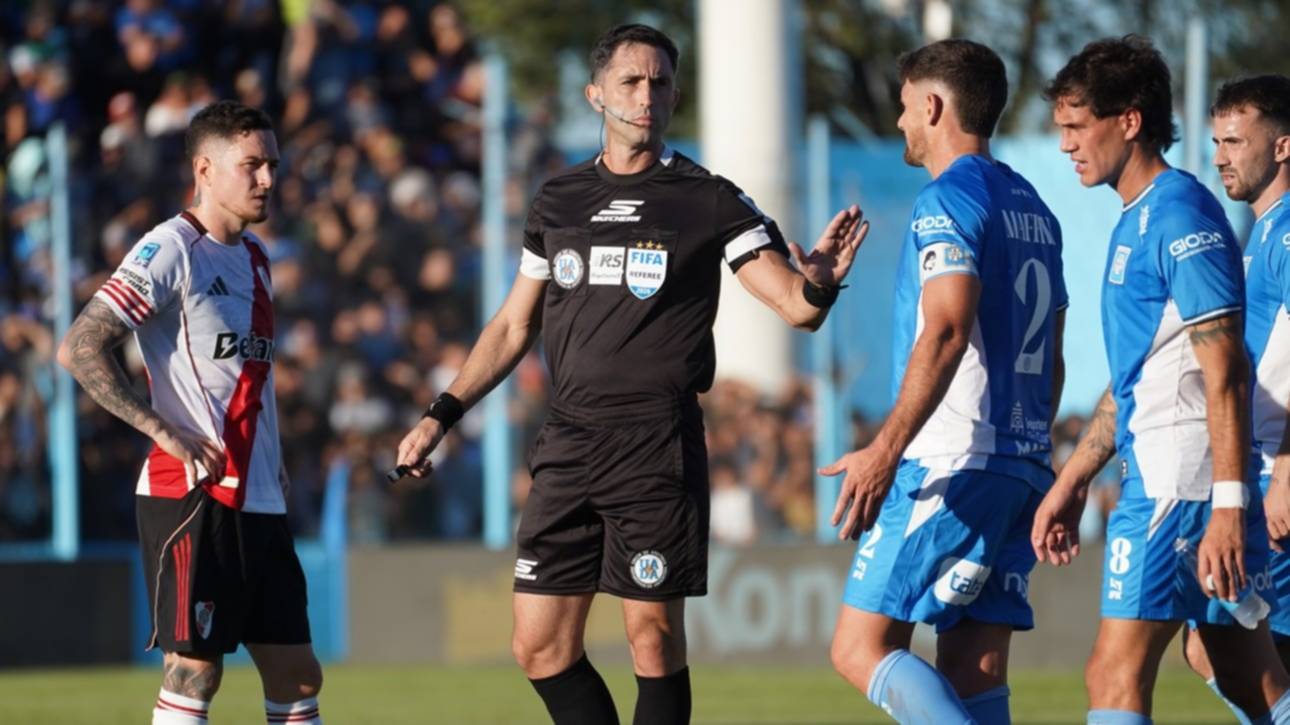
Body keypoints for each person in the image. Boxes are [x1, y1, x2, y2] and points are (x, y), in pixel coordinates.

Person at [394, 23, 867, 725]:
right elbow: (512, 326)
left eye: (661, 83)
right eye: (631, 82)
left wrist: (819, 284)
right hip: (569, 443)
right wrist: (441, 414)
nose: (647, 96)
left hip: (654, 445)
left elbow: (793, 307)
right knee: (538, 646)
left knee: (653, 638)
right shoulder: (558, 200)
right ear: (596, 95)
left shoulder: (707, 198)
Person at [1032, 36, 1290, 725]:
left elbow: (1225, 368)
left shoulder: (1180, 214)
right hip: (1174, 477)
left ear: (1129, 120)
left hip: (1182, 485)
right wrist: (1074, 476)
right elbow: (1135, 381)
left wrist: (1232, 504)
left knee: (1113, 673)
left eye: (1076, 125)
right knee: (1242, 671)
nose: (1065, 145)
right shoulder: (1138, 218)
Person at [823, 39, 1067, 725]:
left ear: (932, 106)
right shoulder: (1034, 207)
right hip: (1019, 461)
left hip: (953, 459)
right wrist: (1027, 451)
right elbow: (1054, 354)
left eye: (905, 108)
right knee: (972, 668)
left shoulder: (947, 199)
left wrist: (886, 448)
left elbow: (946, 328)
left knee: (857, 645)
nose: (900, 123)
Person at [57, 100, 323, 725]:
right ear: (205, 169)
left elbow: (250, 375)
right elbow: (79, 346)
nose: (268, 180)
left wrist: (274, 462)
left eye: (273, 165)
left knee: (296, 671)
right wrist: (161, 430)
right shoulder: (170, 248)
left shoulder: (257, 259)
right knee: (195, 670)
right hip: (194, 494)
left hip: (260, 497)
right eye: (252, 165)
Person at [1182, 74, 1290, 725]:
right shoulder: (1261, 235)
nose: (1220, 155)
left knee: (1221, 642)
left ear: (1283, 147)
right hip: (1260, 474)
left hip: (1278, 474)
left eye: (1234, 139)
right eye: (1215, 140)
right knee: (1237, 648)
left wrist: (1287, 472)